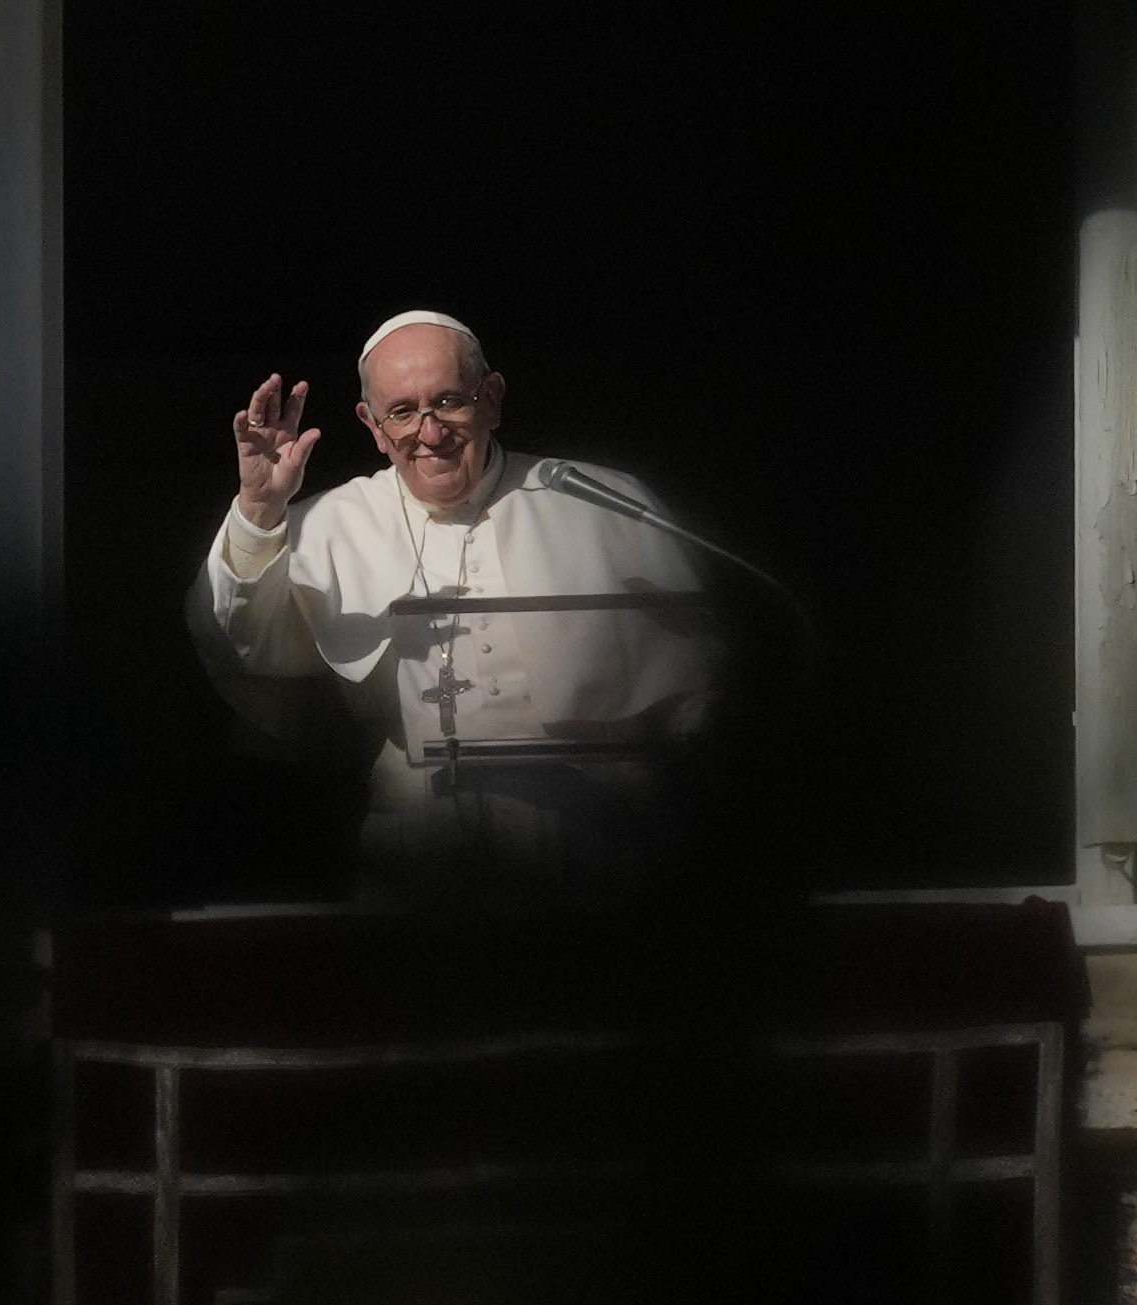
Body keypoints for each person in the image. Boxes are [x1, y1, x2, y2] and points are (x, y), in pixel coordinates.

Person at [194, 310, 739, 899]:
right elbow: (242, 648)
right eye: (401, 412)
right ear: (373, 426)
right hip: (419, 866)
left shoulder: (603, 501)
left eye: (450, 401)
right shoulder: (327, 524)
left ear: (493, 400)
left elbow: (703, 697)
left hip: (607, 859)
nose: (430, 433)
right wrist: (257, 513)